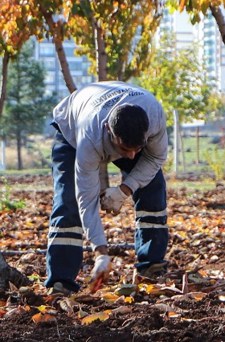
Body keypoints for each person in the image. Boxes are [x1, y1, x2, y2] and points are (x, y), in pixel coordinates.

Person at [46, 81, 169, 294]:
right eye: (125, 149)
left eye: (137, 148)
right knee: (68, 200)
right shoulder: (89, 138)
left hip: (121, 115)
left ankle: (152, 266)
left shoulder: (154, 116)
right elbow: (86, 198)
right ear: (109, 131)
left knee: (153, 185)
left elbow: (156, 158)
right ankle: (61, 281)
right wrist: (101, 253)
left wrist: (125, 190)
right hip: (72, 126)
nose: (131, 156)